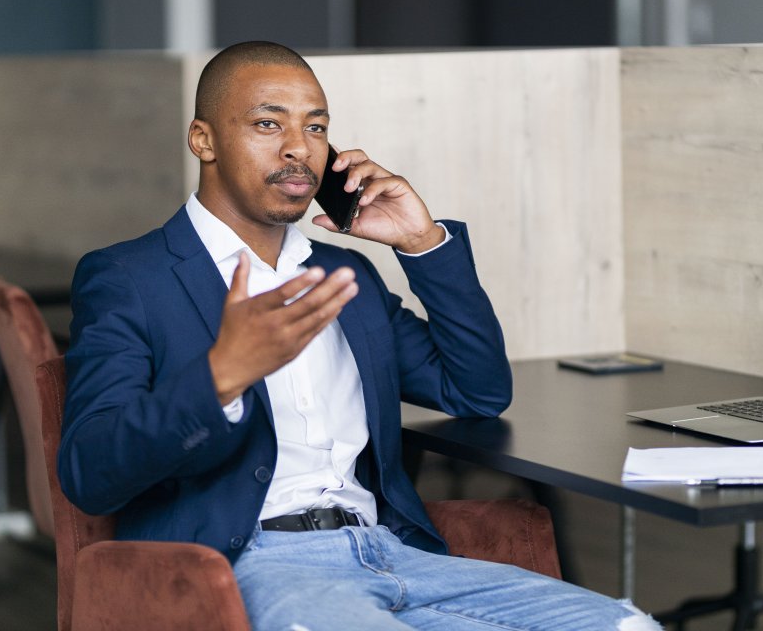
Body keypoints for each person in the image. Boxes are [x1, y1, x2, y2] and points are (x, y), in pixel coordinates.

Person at [58, 41, 659, 630]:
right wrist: (221, 376)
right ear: (203, 139)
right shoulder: (131, 278)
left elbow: (476, 391)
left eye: (316, 128)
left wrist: (423, 244)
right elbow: (91, 472)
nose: (299, 148)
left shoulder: (345, 277)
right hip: (253, 563)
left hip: (393, 554)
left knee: (624, 625)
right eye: (269, 124)